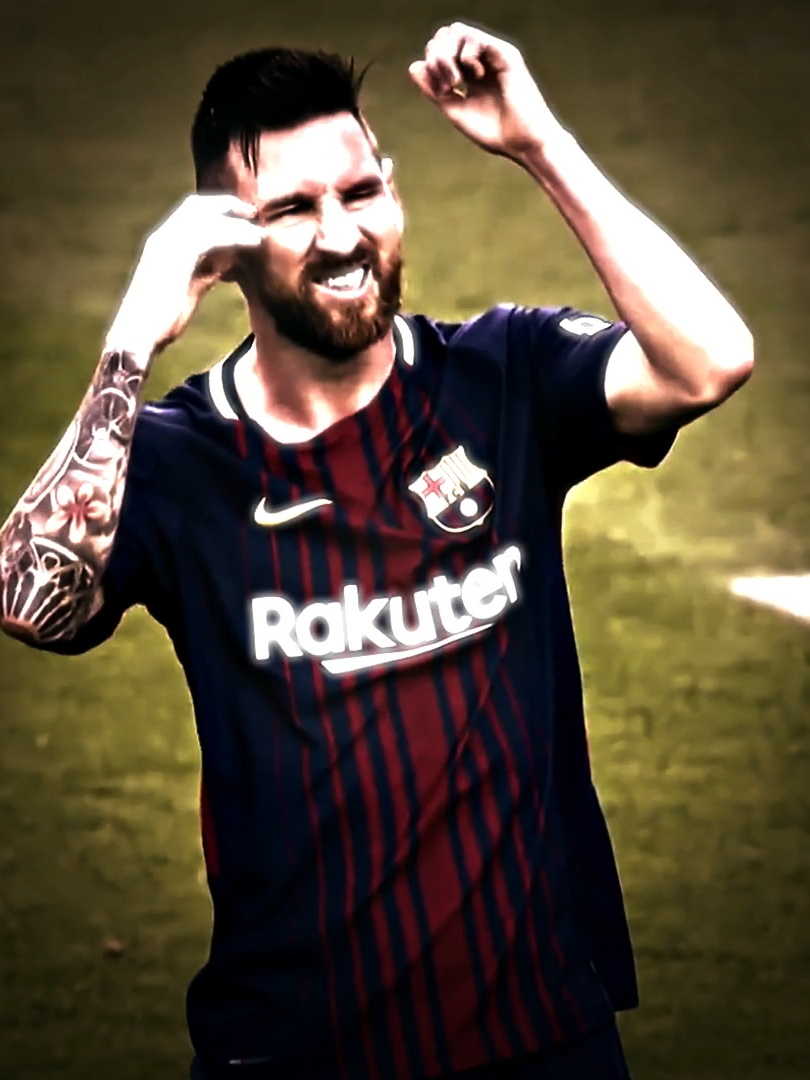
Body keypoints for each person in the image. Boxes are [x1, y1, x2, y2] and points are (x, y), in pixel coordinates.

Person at [0, 21, 753, 1080]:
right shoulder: (179, 458)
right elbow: (28, 600)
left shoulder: (503, 376)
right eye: (292, 211)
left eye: (361, 192)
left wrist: (541, 146)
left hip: (544, 1034)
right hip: (296, 1050)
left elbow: (711, 360)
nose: (342, 234)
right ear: (223, 245)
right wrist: (128, 340)